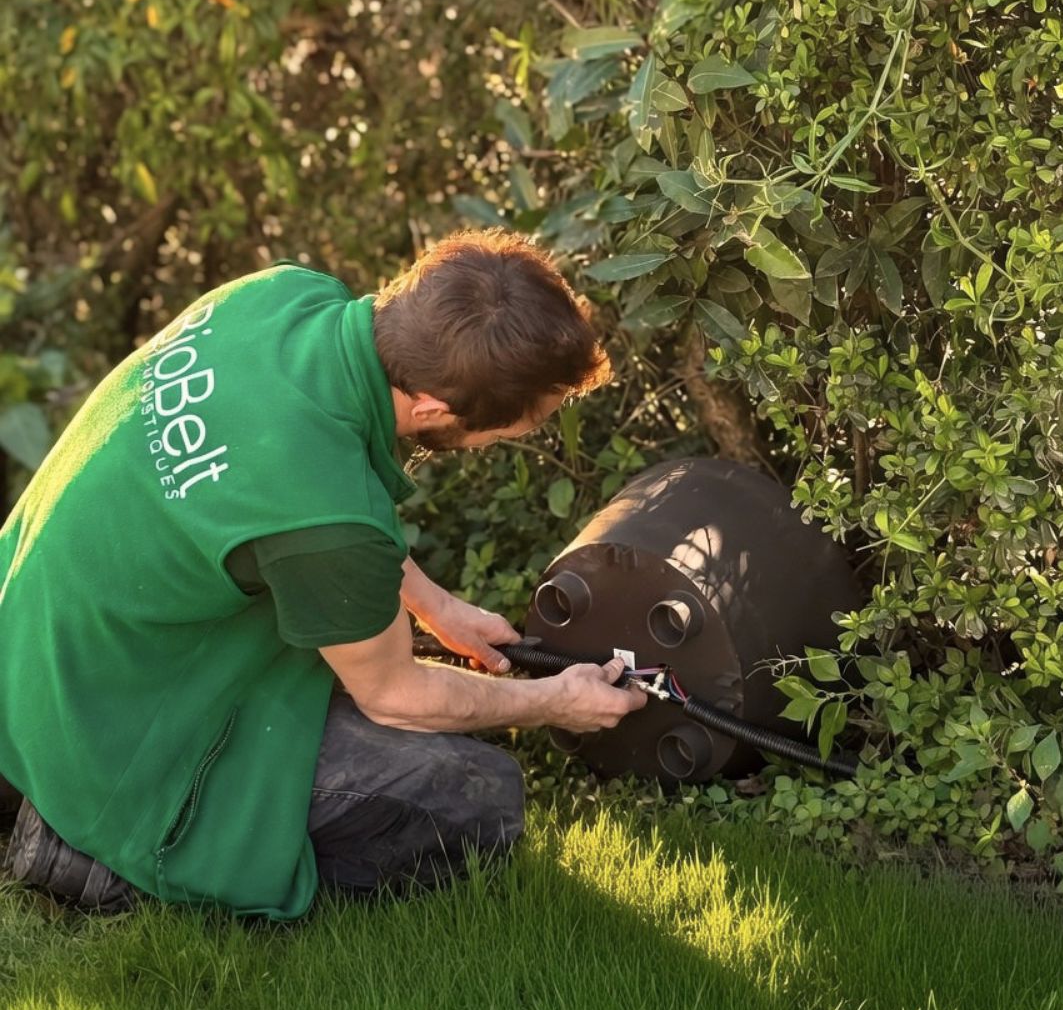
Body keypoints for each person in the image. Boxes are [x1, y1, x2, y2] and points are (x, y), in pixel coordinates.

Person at [0, 229, 648, 919]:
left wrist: (436, 606)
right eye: (524, 425)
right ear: (431, 408)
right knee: (474, 798)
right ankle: (86, 845)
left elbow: (293, 486)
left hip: (34, 642)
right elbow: (395, 696)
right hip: (104, 729)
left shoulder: (283, 296)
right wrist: (553, 701)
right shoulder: (327, 519)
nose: (519, 437)